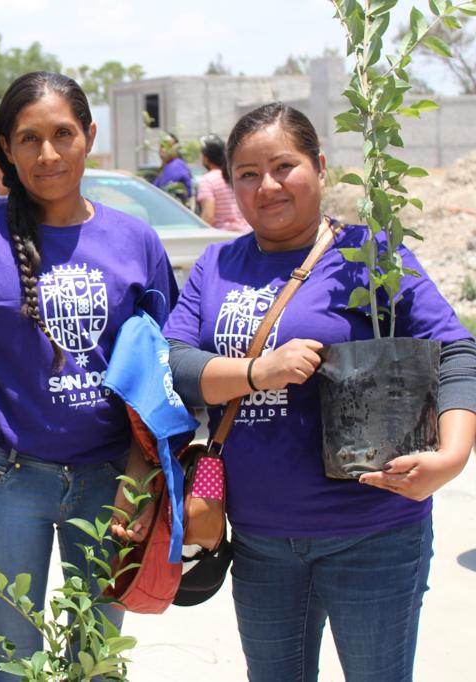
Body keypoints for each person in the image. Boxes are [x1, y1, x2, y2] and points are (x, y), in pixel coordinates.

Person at [163, 102, 476, 682]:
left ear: (322, 167)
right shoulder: (217, 265)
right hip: (257, 537)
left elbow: (455, 349)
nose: (268, 186)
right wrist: (259, 371)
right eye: (248, 175)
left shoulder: (371, 255)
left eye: (285, 166)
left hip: (375, 531)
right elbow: (174, 365)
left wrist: (451, 457)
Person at [0, 71, 179, 680]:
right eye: (28, 139)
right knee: (15, 665)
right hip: (5, 480)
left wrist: (138, 483)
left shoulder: (137, 241)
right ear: (6, 150)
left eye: (63, 134)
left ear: (89, 136)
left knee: (96, 663)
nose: (48, 154)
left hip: (110, 479)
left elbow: (157, 379)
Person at [196, 133, 250, 233]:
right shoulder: (233, 175)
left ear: (206, 159)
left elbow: (208, 215)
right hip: (246, 232)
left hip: (223, 235)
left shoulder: (207, 180)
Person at [152, 131, 192, 204]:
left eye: (167, 146)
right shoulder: (166, 166)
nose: (162, 149)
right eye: (162, 146)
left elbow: (160, 192)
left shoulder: (176, 165)